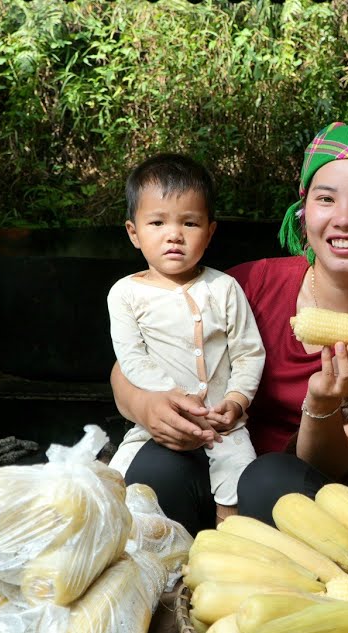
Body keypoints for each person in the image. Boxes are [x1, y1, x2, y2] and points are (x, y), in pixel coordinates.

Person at [110, 122, 348, 533]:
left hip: (309, 501)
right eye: (325, 199)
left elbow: (330, 463)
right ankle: (174, 581)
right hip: (213, 476)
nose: (343, 219)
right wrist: (147, 407)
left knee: (269, 478)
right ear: (304, 212)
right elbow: (129, 365)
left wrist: (323, 406)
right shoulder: (246, 285)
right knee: (161, 463)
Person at [106, 153, 266, 525]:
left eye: (190, 223)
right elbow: (131, 359)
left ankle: (227, 549)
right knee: (119, 492)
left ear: (210, 232)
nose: (174, 234)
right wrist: (172, 398)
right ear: (134, 233)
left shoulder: (224, 288)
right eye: (157, 222)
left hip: (225, 424)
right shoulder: (125, 294)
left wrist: (237, 401)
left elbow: (248, 352)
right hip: (157, 423)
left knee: (238, 491)